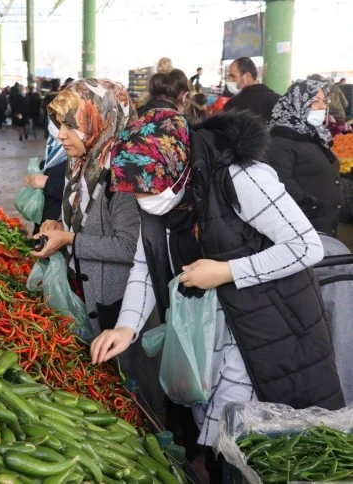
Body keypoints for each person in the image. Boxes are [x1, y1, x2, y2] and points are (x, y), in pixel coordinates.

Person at [102, 107, 344, 479]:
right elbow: (143, 264)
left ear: (177, 165)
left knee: (262, 450)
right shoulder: (164, 187)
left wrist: (227, 271)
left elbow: (305, 246)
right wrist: (125, 327)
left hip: (271, 330)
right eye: (136, 192)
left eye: (149, 190)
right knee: (222, 441)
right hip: (214, 334)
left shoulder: (241, 176)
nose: (143, 200)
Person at [31, 78, 140, 356]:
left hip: (111, 303)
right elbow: (80, 217)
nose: (61, 135)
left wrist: (68, 238)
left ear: (98, 121)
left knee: (116, 382)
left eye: (71, 125)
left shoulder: (122, 174)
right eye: (61, 125)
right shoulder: (79, 163)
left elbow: (128, 247)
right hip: (81, 289)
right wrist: (59, 224)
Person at [268, 79, 341, 236]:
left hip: (324, 224)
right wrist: (314, 206)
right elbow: (282, 182)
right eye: (315, 101)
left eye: (324, 101)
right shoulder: (280, 139)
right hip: (303, 226)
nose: (322, 106)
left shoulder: (316, 135)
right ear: (297, 102)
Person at [24, 120, 68, 234]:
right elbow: (47, 168)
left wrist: (47, 183)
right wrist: (34, 177)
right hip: (45, 216)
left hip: (59, 224)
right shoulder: (54, 145)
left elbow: (77, 189)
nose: (61, 133)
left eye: (66, 124)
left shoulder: (79, 150)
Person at [223, 57, 280, 122]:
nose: (230, 80)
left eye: (233, 76)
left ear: (247, 76)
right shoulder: (278, 100)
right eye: (229, 77)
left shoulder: (233, 105)